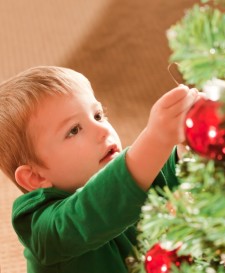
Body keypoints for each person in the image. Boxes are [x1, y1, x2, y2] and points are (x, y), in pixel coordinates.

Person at [0, 66, 199, 273]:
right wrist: (156, 138)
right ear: (35, 177)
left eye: (98, 115)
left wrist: (186, 146)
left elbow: (158, 179)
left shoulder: (123, 176)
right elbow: (100, 206)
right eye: (74, 130)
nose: (102, 130)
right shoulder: (42, 229)